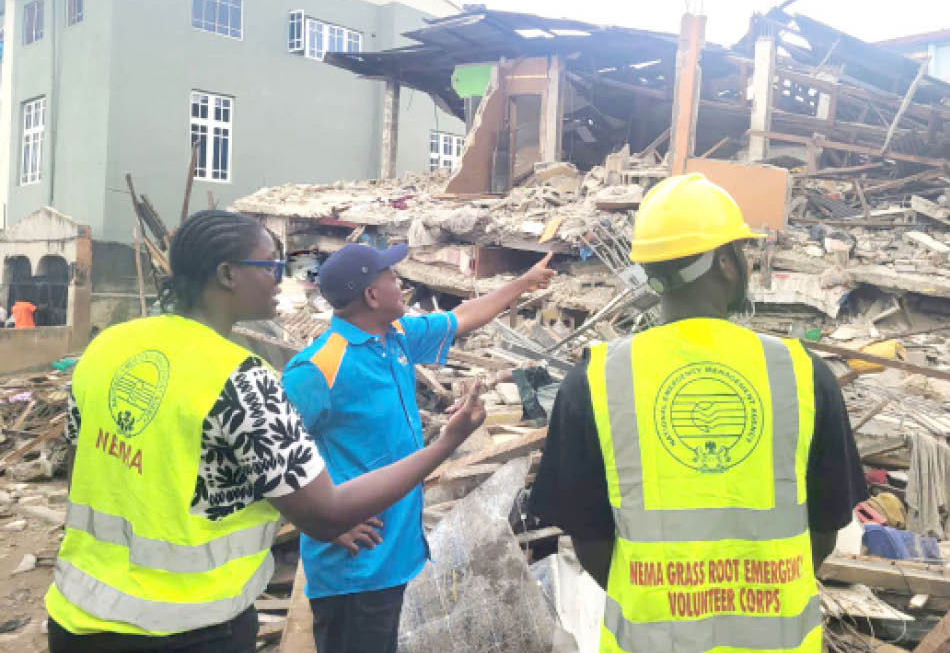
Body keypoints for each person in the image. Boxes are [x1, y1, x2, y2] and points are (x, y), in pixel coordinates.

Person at [46, 210, 486, 653]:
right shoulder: (241, 379)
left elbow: (85, 461)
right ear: (227, 275)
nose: (281, 279)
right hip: (189, 626)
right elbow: (326, 512)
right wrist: (448, 442)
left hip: (76, 617)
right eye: (270, 267)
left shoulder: (107, 347)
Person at [529, 173, 867, 653]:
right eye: (742, 254)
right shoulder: (801, 374)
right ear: (727, 263)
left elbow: (591, 544)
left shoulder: (596, 381)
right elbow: (825, 530)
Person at [282, 242, 557, 653]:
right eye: (391, 277)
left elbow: (463, 317)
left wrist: (523, 282)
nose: (401, 283)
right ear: (372, 296)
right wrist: (320, 523)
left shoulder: (395, 339)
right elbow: (262, 457)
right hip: (356, 572)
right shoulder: (318, 368)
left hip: (397, 557)